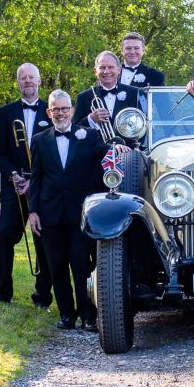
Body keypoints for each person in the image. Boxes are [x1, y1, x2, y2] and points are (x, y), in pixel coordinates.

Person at [28, 90, 127, 331]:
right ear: (49, 112)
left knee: (81, 264)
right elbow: (37, 178)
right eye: (56, 109)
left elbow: (105, 153)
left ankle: (88, 315)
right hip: (49, 213)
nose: (60, 113)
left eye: (65, 108)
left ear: (72, 111)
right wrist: (33, 212)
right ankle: (66, 315)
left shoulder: (90, 136)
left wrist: (117, 149)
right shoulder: (40, 140)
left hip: (81, 213)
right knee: (56, 265)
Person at [0, 63, 54, 306]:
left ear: (39, 81)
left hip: (42, 187)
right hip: (14, 186)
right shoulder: (4, 113)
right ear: (18, 82)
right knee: (4, 235)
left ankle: (43, 296)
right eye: (23, 78)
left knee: (43, 241)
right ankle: (3, 291)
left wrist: (33, 181)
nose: (28, 81)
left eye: (31, 77)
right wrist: (14, 175)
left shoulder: (51, 111)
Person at [73, 51, 142, 143]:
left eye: (111, 67)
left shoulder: (135, 93)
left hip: (128, 152)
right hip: (95, 154)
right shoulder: (84, 97)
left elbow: (144, 124)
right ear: (95, 71)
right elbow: (74, 129)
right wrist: (90, 119)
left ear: (119, 69)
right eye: (102, 67)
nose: (106, 71)